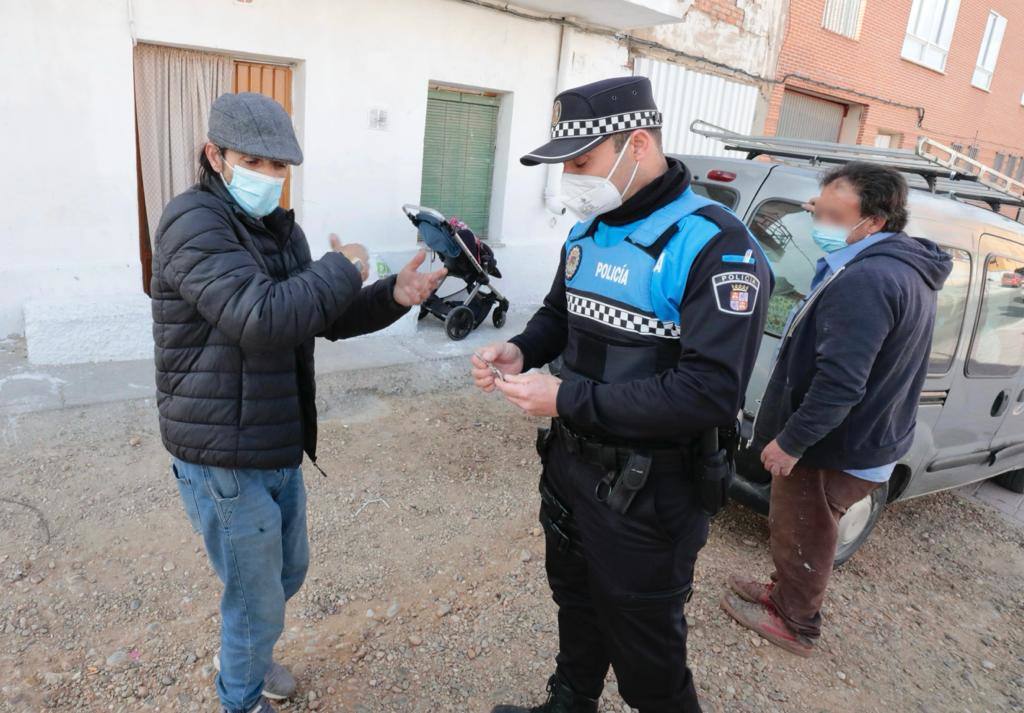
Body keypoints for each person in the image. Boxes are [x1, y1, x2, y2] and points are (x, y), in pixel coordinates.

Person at [472, 76, 773, 713]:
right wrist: (521, 350)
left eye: (580, 164)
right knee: (575, 605)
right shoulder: (589, 230)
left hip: (651, 491)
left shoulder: (715, 246)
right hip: (571, 468)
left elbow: (709, 393)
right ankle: (569, 703)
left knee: (647, 655)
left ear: (637, 144)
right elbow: (560, 314)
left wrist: (564, 400)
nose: (569, 183)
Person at [150, 92, 446, 713]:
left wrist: (393, 293)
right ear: (215, 155)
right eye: (254, 161)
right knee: (256, 595)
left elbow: (316, 317)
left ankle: (245, 652)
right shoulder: (192, 223)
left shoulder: (281, 231)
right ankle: (241, 695)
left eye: (280, 166)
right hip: (221, 451)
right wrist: (344, 264)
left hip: (275, 437)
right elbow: (260, 317)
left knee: (285, 575)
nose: (269, 177)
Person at [721, 162, 952, 657]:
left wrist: (791, 442)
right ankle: (783, 595)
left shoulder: (866, 281)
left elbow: (841, 384)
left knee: (806, 532)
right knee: (796, 527)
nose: (819, 219)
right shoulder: (902, 266)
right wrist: (825, 205)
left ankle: (796, 624)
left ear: (874, 220)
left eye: (832, 212)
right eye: (817, 207)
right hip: (866, 436)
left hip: (833, 446)